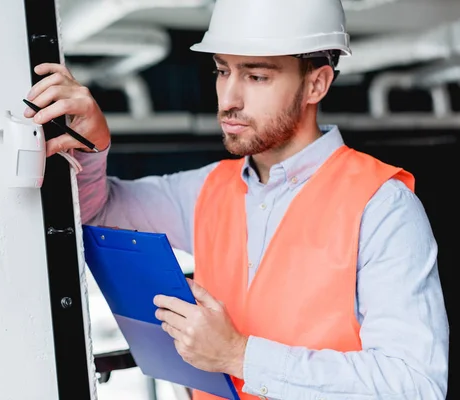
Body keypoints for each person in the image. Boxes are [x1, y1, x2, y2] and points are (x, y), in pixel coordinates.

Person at [24, 0, 449, 398]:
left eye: (256, 76)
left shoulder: (381, 205)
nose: (229, 99)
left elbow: (414, 384)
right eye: (222, 71)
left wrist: (238, 355)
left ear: (316, 83)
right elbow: (94, 213)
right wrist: (90, 146)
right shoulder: (207, 189)